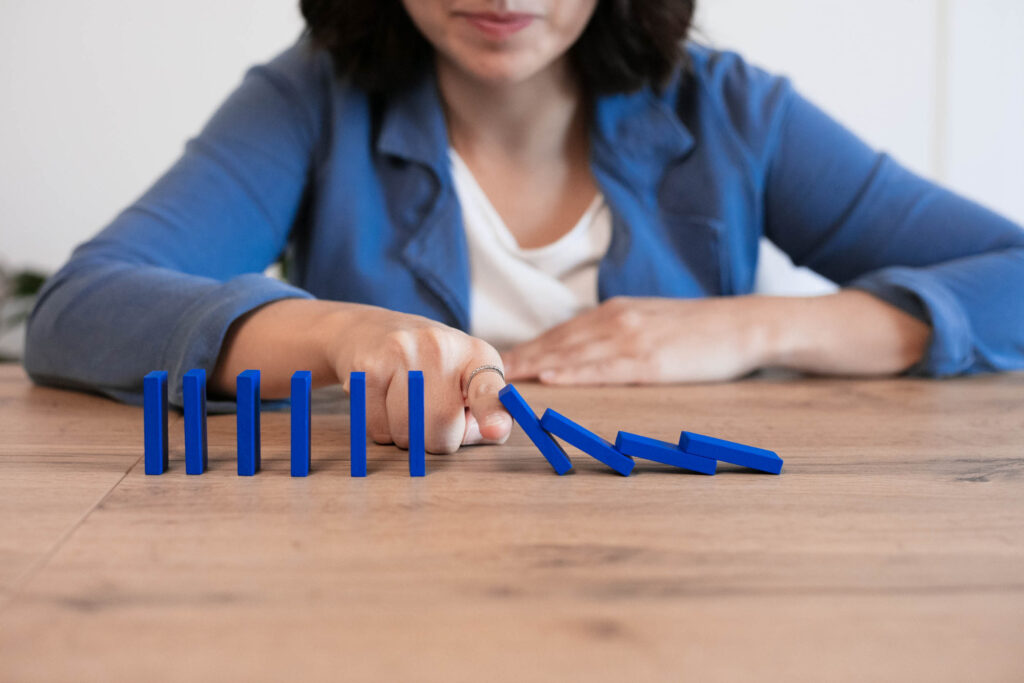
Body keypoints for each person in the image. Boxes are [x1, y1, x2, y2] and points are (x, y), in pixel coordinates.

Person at [24, 1, 1024, 454]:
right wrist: (338, 332)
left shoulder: (733, 113)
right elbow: (81, 305)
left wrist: (749, 326)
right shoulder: (310, 101)